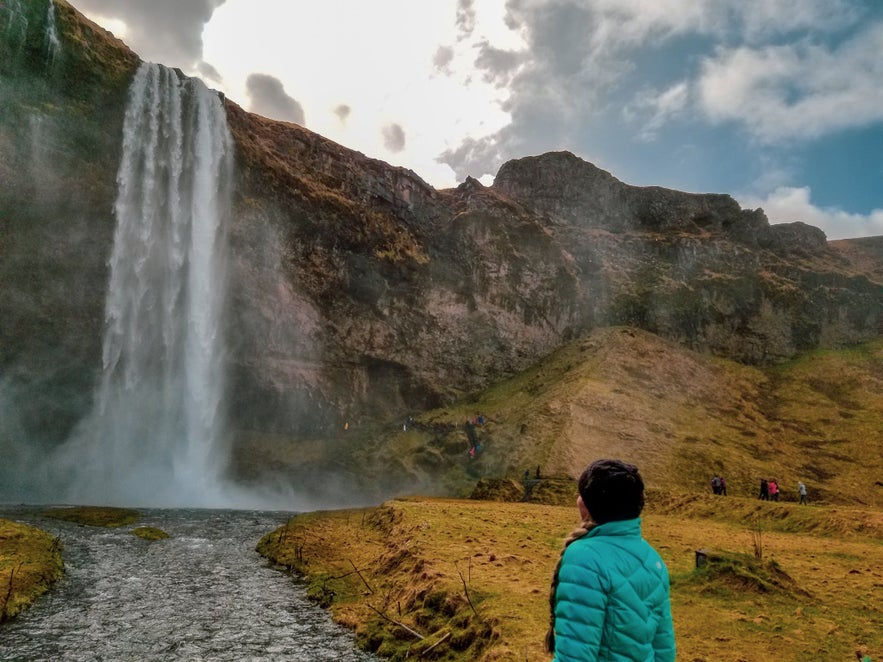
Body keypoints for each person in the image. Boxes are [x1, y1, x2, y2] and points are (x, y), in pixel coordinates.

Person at [546, 459, 675, 661]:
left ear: (586, 505)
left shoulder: (583, 558)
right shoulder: (653, 559)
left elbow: (575, 655)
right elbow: (664, 649)